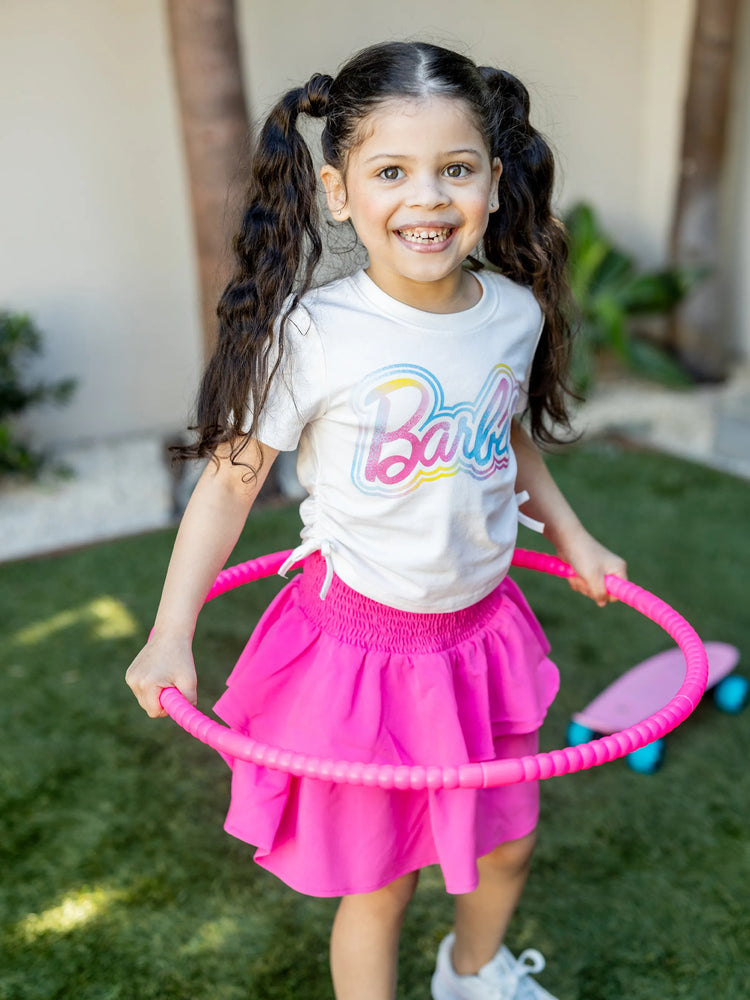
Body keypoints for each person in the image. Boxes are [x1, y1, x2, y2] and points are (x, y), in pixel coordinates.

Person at [126, 40, 627, 1000]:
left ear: (491, 179)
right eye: (392, 171)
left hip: (482, 639)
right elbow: (232, 485)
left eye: (456, 169)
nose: (428, 199)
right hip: (363, 653)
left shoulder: (513, 313)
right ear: (338, 190)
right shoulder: (314, 335)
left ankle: (474, 976)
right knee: (383, 885)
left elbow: (503, 436)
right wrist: (169, 633)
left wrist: (571, 534)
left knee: (509, 847)